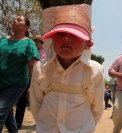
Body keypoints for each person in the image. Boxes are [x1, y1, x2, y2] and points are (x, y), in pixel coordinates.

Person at [30, 5, 104, 133]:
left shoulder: (95, 70)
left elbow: (97, 109)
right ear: (52, 40)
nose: (66, 38)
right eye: (60, 33)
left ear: (87, 44)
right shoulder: (40, 68)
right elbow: (36, 104)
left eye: (74, 34)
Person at [0, 16, 39, 133]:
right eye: (14, 19)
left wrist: (32, 87)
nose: (15, 21)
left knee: (0, 110)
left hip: (17, 83)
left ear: (26, 27)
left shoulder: (29, 44)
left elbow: (32, 67)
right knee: (8, 116)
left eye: (19, 20)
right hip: (1, 82)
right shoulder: (2, 40)